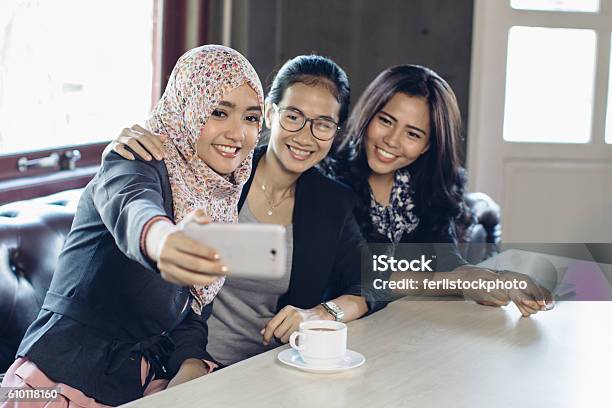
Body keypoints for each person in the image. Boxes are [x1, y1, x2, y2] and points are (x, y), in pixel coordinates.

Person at [0, 45, 264, 407]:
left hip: (135, 381)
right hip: (54, 378)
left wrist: (190, 365)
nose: (238, 134)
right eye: (219, 112)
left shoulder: (218, 195)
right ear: (187, 105)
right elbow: (133, 208)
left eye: (251, 118)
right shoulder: (134, 158)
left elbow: (190, 310)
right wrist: (164, 241)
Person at [105, 54, 374, 368]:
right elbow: (152, 180)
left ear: (335, 132)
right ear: (270, 115)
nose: (304, 136)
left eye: (323, 124)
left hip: (274, 368)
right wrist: (123, 143)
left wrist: (321, 314)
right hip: (183, 362)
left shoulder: (332, 202)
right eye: (293, 116)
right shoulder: (219, 171)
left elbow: (369, 282)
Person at [331, 64, 554, 316]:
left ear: (427, 145)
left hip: (399, 322)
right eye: (385, 121)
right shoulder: (330, 180)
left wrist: (496, 280)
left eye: (413, 134)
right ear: (368, 114)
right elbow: (363, 274)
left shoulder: (425, 185)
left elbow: (446, 259)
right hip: (340, 325)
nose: (392, 140)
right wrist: (459, 282)